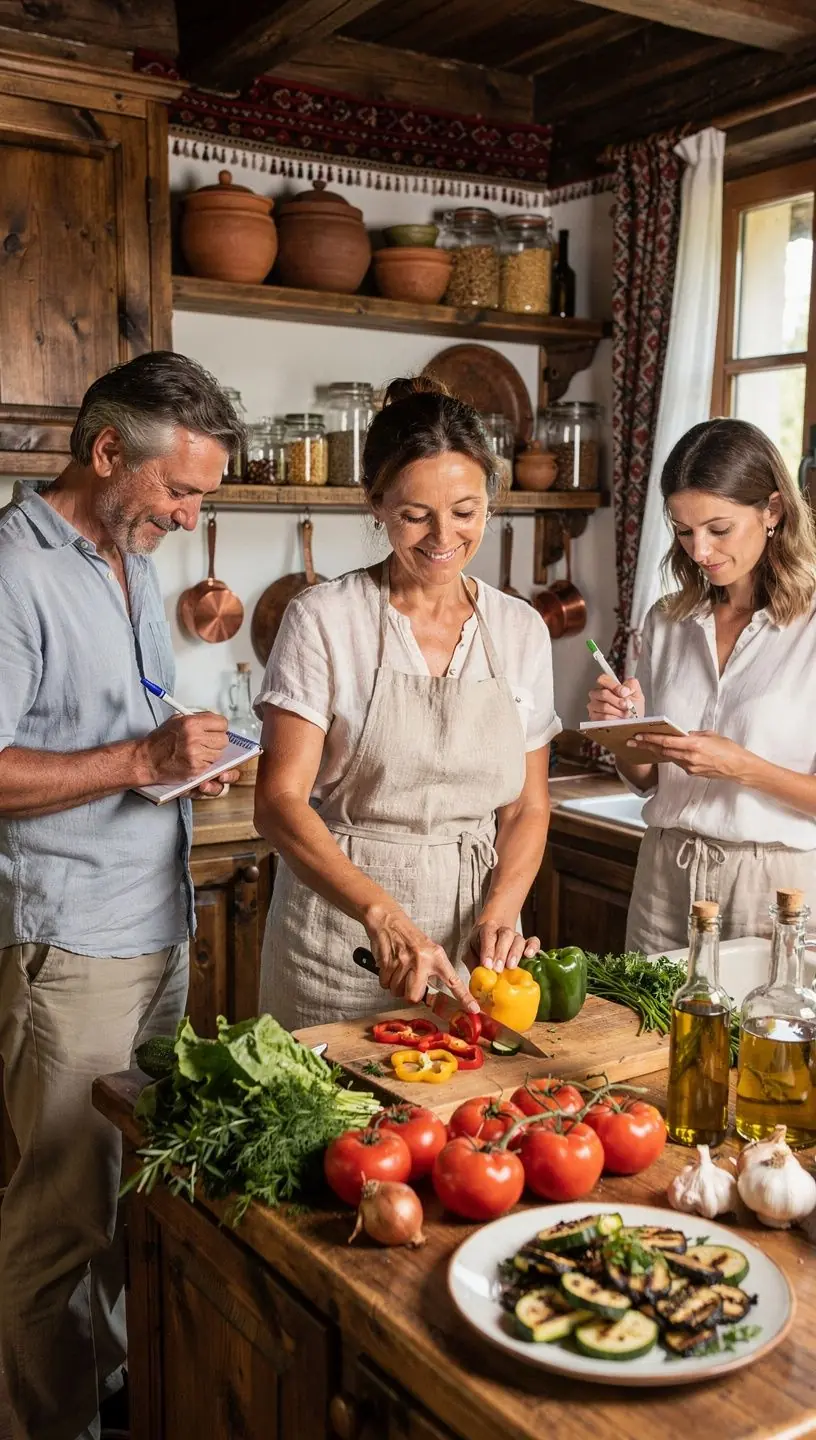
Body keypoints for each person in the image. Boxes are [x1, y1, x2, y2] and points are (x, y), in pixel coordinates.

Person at [0, 352, 245, 1440]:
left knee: (122, 1201)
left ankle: (104, 1395)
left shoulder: (128, 557)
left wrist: (183, 759)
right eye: (180, 491)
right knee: (55, 1223)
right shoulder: (13, 571)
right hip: (70, 944)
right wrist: (143, 761)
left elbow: (118, 733)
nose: (190, 517)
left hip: (153, 925)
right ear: (107, 452)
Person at [253, 376, 560, 1031]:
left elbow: (527, 805)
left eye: (465, 511)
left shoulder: (521, 630)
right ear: (377, 504)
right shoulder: (323, 619)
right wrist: (383, 916)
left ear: (491, 501)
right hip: (341, 942)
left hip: (470, 948)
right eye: (416, 514)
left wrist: (501, 912)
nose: (442, 536)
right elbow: (278, 802)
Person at [587, 418, 816, 954]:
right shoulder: (667, 620)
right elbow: (647, 780)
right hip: (665, 875)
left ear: (772, 511)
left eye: (718, 529)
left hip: (774, 887)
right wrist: (624, 733)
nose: (699, 550)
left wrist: (742, 767)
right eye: (684, 530)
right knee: (643, 1014)